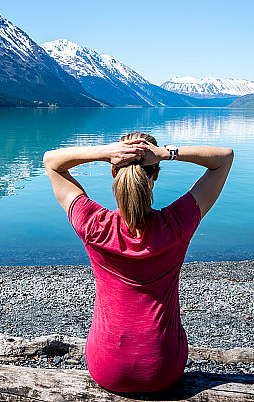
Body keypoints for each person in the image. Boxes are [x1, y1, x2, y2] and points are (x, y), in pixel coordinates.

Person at [43, 132, 234, 392]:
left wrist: (104, 152)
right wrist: (168, 153)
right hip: (164, 368)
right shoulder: (176, 224)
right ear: (156, 174)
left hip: (107, 368)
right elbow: (224, 158)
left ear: (113, 172)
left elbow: (51, 161)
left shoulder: (95, 226)